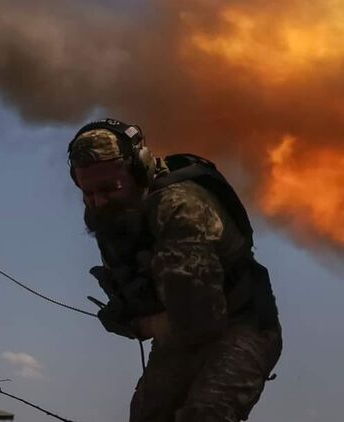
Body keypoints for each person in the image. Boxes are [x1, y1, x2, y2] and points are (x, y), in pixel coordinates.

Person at [68, 118, 282, 422]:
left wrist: (138, 325)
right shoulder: (114, 213)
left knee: (205, 414)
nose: (98, 202)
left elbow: (199, 320)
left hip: (243, 323)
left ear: (139, 170)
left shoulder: (181, 207)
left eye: (108, 189)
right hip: (179, 333)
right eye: (88, 194)